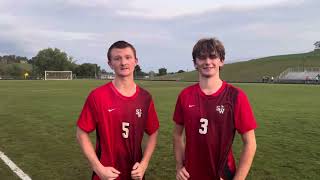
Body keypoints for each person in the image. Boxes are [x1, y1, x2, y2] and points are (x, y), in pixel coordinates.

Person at [173, 38, 257, 180]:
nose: (207, 62)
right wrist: (179, 166)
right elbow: (177, 135)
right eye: (202, 57)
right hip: (190, 176)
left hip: (222, 175)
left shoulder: (236, 96)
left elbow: (250, 143)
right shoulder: (185, 95)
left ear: (221, 61)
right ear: (195, 63)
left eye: (213, 56)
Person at [76, 40, 159, 180]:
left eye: (128, 57)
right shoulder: (97, 96)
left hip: (135, 175)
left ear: (136, 61)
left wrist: (144, 164)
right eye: (117, 58)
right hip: (106, 175)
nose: (123, 62)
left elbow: (153, 131)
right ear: (110, 64)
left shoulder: (145, 98)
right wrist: (98, 168)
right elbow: (81, 133)